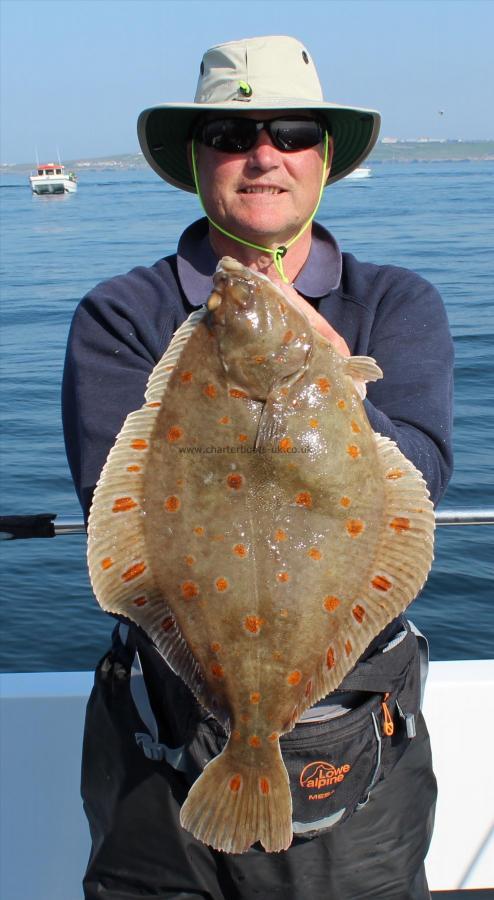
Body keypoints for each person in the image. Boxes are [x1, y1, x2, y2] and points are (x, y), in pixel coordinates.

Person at [62, 35, 453, 900]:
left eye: (291, 130)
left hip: (352, 733)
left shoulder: (398, 303)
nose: (263, 153)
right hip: (156, 734)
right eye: (232, 135)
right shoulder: (122, 313)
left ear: (324, 157)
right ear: (197, 159)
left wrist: (330, 380)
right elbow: (111, 499)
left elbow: (420, 473)